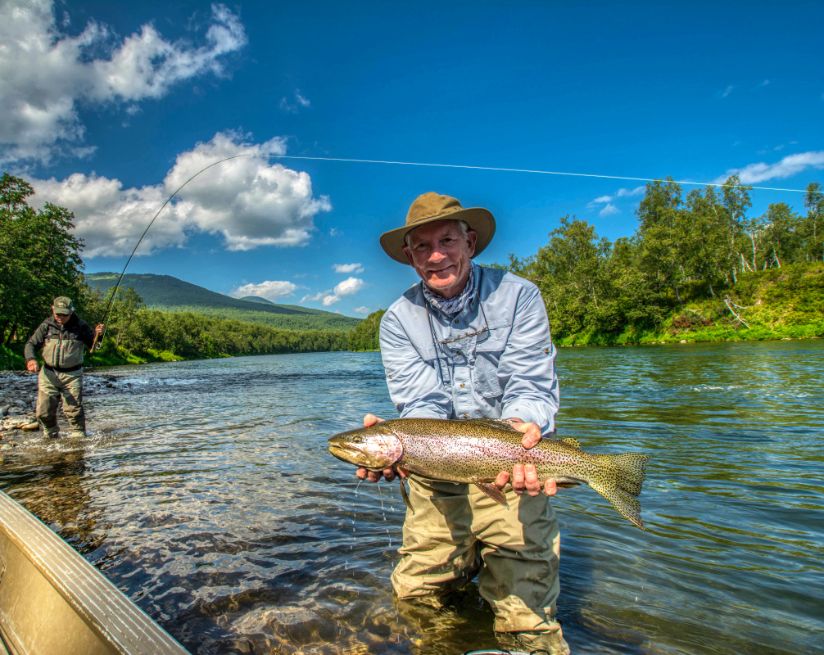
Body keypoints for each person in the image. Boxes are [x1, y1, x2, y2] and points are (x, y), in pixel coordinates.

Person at [358, 192, 569, 654]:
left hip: (514, 460)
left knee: (525, 613)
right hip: (438, 468)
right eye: (422, 247)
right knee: (418, 597)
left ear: (470, 242)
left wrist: (521, 434)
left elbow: (531, 385)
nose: (437, 255)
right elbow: (421, 405)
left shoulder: (519, 296)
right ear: (409, 257)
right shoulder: (397, 320)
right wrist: (399, 445)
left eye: (448, 240)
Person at [24, 296, 104, 439]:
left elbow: (93, 347)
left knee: (73, 409)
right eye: (58, 314)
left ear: (71, 312)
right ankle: (51, 432)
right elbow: (30, 344)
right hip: (49, 373)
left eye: (64, 314)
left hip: (72, 374)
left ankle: (78, 436)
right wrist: (31, 359)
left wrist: (99, 335)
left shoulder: (80, 326)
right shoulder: (46, 325)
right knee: (43, 411)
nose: (61, 317)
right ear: (52, 309)